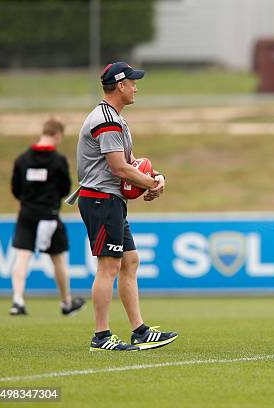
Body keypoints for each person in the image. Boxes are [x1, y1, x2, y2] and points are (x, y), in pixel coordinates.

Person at [75, 62, 178, 351]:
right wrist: (149, 183)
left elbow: (131, 164)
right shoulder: (106, 119)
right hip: (101, 199)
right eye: (132, 82)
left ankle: (139, 330)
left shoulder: (114, 117)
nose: (136, 87)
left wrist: (155, 177)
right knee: (108, 266)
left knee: (129, 261)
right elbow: (119, 168)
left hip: (110, 199)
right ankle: (101, 335)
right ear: (120, 85)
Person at [9, 117, 86, 316]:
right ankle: (66, 302)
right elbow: (65, 188)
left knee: (22, 256)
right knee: (58, 259)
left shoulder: (22, 159)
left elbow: (16, 188)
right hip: (49, 215)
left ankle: (17, 300)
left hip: (27, 213)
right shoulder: (58, 160)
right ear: (58, 134)